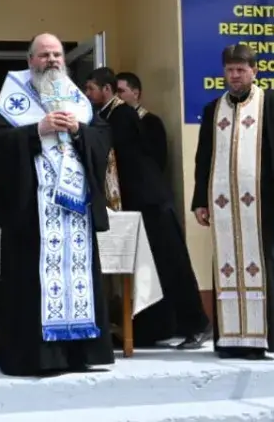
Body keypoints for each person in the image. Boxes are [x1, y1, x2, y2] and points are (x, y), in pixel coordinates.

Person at [0, 33, 115, 376]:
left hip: (75, 213)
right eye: (44, 55)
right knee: (33, 284)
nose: (52, 60)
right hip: (32, 212)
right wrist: (36, 130)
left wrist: (79, 131)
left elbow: (103, 138)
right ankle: (37, 359)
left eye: (57, 54)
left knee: (78, 278)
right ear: (31, 60)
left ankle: (78, 355)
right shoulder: (13, 96)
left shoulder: (77, 99)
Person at [191, 43, 274, 358]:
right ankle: (229, 340)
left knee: (263, 265)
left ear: (254, 71)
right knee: (225, 264)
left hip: (262, 203)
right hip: (223, 205)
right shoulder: (213, 109)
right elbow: (203, 158)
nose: (235, 76)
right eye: (230, 70)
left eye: (241, 70)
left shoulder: (272, 104)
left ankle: (261, 340)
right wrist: (200, 200)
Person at [85, 66, 209, 349]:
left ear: (106, 90)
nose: (88, 94)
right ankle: (153, 328)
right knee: (149, 268)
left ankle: (198, 324)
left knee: (172, 264)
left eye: (91, 89)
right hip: (139, 203)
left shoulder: (121, 115)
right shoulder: (108, 115)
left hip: (151, 201)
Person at [115, 71, 168, 174]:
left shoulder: (151, 122)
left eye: (121, 91)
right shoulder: (112, 119)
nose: (117, 96)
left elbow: (158, 161)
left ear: (135, 93)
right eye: (114, 92)